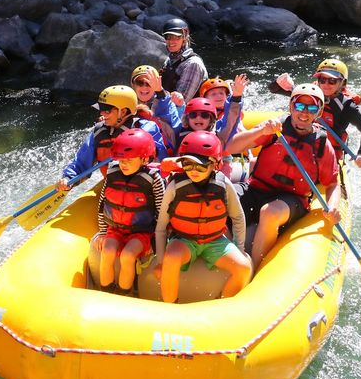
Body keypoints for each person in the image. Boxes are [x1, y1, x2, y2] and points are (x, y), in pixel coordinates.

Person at [227, 84, 342, 270]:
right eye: (299, 106)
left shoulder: (321, 144)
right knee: (220, 197)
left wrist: (333, 206)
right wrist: (260, 132)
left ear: (319, 112)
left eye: (312, 108)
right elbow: (230, 148)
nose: (304, 112)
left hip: (292, 200)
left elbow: (332, 184)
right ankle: (228, 256)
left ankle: (254, 268)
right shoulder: (274, 129)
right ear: (291, 107)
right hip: (256, 189)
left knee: (270, 212)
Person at [154, 131, 252, 303]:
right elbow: (161, 226)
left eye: (200, 166)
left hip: (215, 240)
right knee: (171, 258)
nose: (193, 171)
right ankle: (170, 305)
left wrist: (240, 248)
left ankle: (222, 305)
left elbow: (237, 216)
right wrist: (161, 262)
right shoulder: (175, 186)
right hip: (183, 240)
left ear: (215, 164)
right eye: (187, 165)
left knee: (243, 268)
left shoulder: (223, 184)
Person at [56, 85, 168, 191]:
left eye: (107, 110)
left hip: (146, 186)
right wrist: (68, 179)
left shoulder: (145, 129)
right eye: (101, 108)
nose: (102, 113)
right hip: (113, 184)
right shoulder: (99, 132)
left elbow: (160, 164)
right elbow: (81, 162)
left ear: (123, 111)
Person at [96, 129, 165, 293]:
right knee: (107, 251)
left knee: (127, 255)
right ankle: (106, 291)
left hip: (142, 232)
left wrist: (157, 241)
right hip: (116, 229)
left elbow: (162, 212)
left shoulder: (153, 179)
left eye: (129, 160)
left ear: (144, 159)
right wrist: (103, 233)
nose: (124, 164)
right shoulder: (112, 174)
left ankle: (124, 293)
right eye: (121, 160)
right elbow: (102, 205)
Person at [268, 58, 361, 168]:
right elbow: (273, 89)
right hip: (301, 145)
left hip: (326, 155)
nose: (326, 84)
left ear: (343, 83)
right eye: (322, 80)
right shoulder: (308, 94)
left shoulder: (347, 107)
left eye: (332, 80)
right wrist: (280, 81)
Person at [159, 18, 208, 113]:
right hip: (167, 108)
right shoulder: (170, 60)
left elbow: (181, 102)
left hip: (188, 116)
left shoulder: (193, 64)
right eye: (168, 37)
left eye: (176, 37)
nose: (171, 41)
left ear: (184, 38)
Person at [130, 65, 181, 156]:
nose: (144, 87)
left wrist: (160, 92)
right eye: (140, 82)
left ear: (157, 84)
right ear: (133, 85)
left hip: (164, 157)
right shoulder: (126, 105)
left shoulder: (167, 101)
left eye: (149, 83)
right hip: (136, 156)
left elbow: (175, 127)